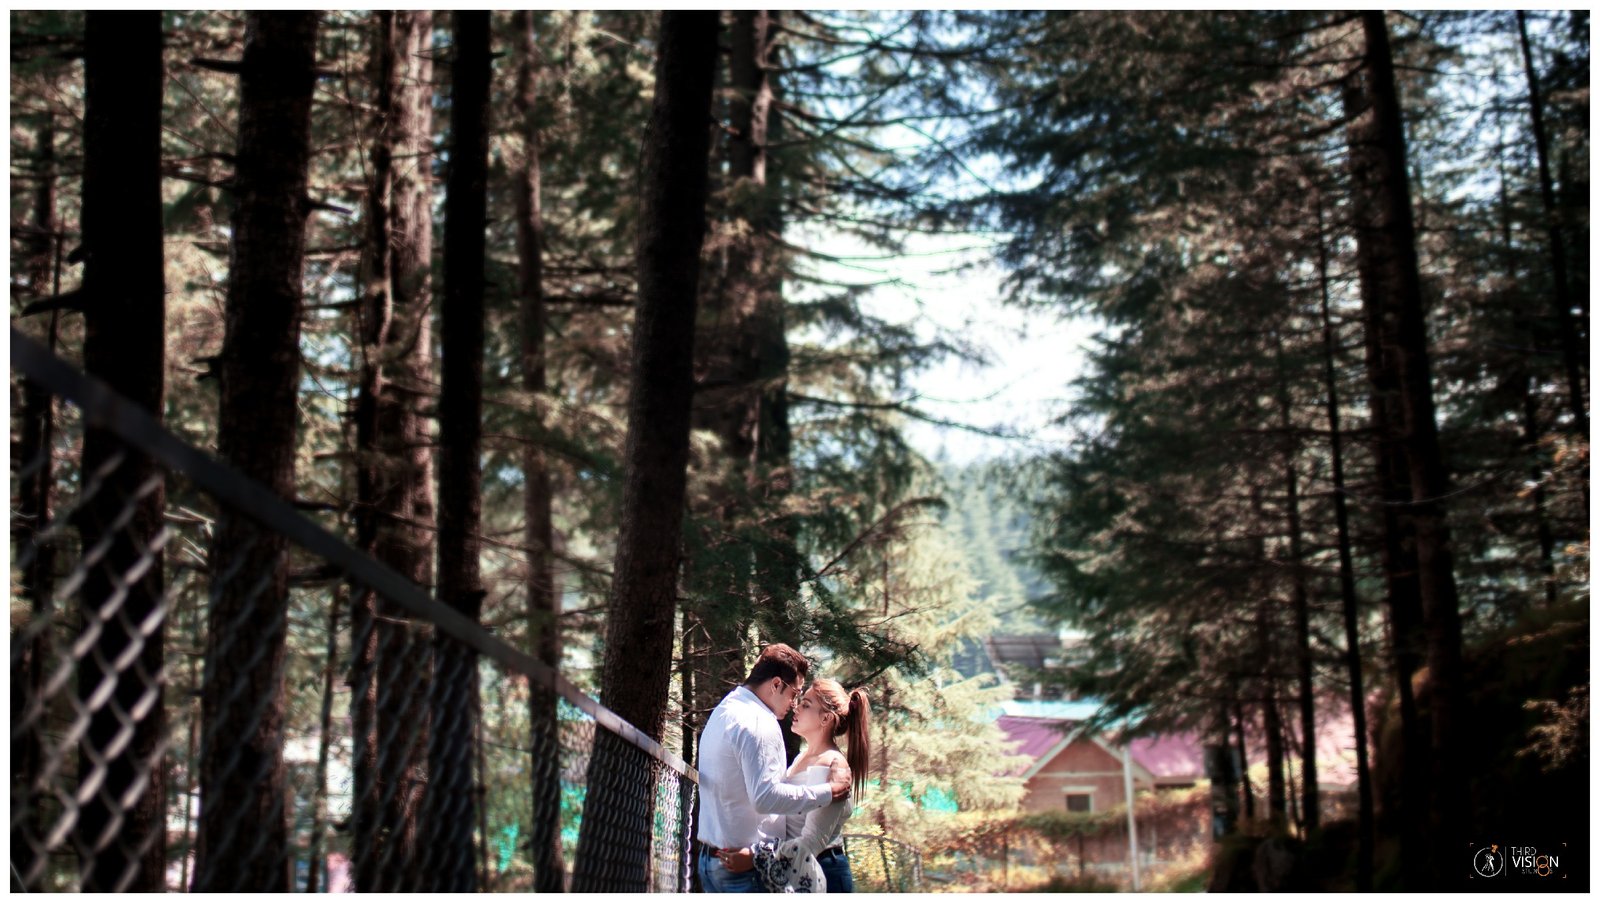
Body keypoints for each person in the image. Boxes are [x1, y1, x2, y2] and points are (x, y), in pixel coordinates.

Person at [696, 644, 850, 893]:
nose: (794, 704)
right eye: (795, 694)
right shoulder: (760, 722)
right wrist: (828, 792)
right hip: (744, 870)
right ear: (776, 684)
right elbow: (765, 798)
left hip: (713, 861)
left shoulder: (725, 710)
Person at [748, 678, 871, 893]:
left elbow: (811, 841)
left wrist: (753, 858)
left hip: (822, 870)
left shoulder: (831, 764)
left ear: (825, 718)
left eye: (806, 705)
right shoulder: (802, 757)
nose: (796, 708)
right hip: (799, 866)